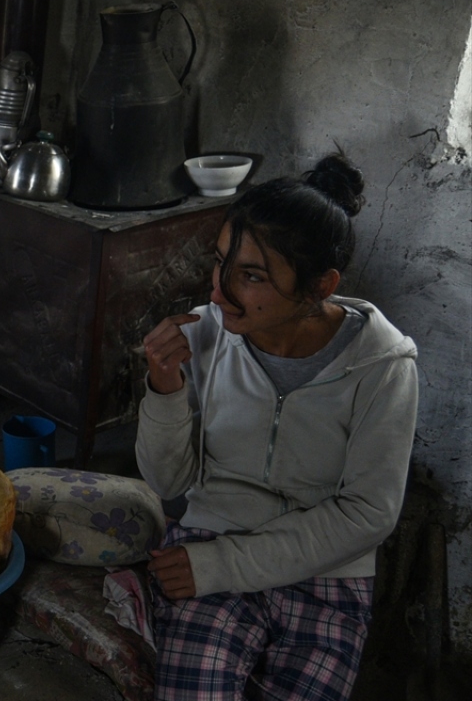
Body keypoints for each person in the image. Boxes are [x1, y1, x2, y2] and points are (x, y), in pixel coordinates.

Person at [136, 153, 419, 701]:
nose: (218, 292)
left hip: (327, 572)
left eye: (251, 276)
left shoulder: (383, 367)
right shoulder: (204, 337)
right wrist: (164, 389)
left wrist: (224, 566)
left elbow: (368, 513)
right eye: (221, 264)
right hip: (212, 536)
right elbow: (168, 485)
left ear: (320, 285)